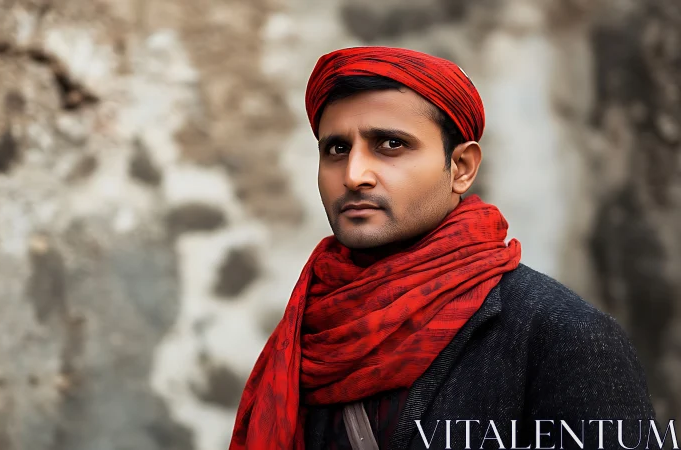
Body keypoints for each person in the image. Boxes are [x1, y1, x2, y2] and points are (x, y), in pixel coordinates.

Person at [229, 47, 657, 450]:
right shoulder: (317, 327)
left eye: (390, 144)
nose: (355, 174)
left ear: (461, 168)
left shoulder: (563, 335)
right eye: (337, 149)